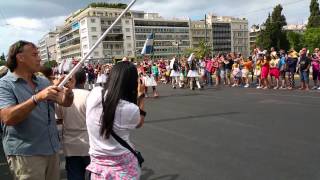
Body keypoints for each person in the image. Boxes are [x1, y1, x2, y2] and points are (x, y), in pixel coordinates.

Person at [0, 40, 74, 180]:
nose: (39, 58)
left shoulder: (43, 81)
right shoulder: (4, 85)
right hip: (26, 154)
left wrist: (69, 92)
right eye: (34, 54)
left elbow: (65, 102)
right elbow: (7, 118)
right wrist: (37, 98)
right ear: (20, 57)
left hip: (51, 149)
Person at [86, 61, 145, 179]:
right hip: (124, 169)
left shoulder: (95, 93)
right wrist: (141, 96)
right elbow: (139, 123)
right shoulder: (130, 109)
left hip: (98, 169)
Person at [56, 69, 90, 180]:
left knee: (74, 175)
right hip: (89, 143)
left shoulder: (62, 97)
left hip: (70, 144)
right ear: (84, 80)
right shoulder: (90, 96)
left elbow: (59, 119)